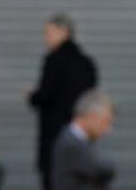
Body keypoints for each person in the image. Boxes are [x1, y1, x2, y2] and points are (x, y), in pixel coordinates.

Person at [28, 13, 98, 190]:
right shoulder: (86, 63)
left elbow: (45, 95)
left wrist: (32, 96)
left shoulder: (53, 61)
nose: (46, 39)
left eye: (49, 33)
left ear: (64, 32)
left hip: (54, 133)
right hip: (82, 135)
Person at [49, 89, 116, 190]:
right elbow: (99, 169)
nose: (108, 129)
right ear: (92, 116)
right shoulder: (71, 143)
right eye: (106, 122)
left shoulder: (79, 139)